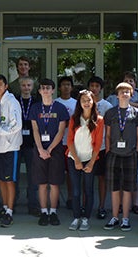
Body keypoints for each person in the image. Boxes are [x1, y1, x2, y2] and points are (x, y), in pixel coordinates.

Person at [105, 72, 138, 215]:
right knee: (116, 180)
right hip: (114, 148)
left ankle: (134, 204)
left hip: (134, 147)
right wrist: (108, 150)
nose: (129, 84)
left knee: (134, 175)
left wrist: (137, 150)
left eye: (131, 81)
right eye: (126, 81)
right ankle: (116, 209)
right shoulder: (112, 101)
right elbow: (108, 132)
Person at [103, 82, 138, 232]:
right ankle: (114, 217)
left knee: (127, 188)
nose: (124, 94)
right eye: (121, 91)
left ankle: (125, 219)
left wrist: (137, 152)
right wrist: (108, 151)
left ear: (131, 94)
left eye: (127, 91)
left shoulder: (137, 113)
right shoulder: (110, 113)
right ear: (117, 95)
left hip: (130, 154)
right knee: (114, 188)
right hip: (114, 154)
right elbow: (107, 135)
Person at [30, 79, 70, 227]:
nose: (45, 90)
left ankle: (53, 211)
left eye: (48, 88)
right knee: (41, 183)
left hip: (56, 150)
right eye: (43, 88)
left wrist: (50, 149)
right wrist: (41, 149)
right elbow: (35, 129)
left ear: (53, 90)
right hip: (40, 149)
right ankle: (43, 212)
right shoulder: (35, 108)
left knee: (54, 183)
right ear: (39, 91)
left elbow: (61, 131)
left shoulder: (60, 108)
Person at [0, 74, 23, 227]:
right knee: (1, 179)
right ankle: (4, 207)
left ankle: (10, 212)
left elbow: (16, 126)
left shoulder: (12, 102)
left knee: (9, 180)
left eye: (1, 84)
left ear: (6, 86)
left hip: (11, 147)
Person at [66, 90, 104, 231]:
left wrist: (91, 162)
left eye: (89, 100)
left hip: (90, 159)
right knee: (76, 191)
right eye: (83, 100)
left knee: (88, 190)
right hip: (74, 158)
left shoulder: (99, 120)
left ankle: (85, 218)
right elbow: (69, 141)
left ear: (93, 101)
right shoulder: (74, 119)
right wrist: (76, 160)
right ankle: (76, 217)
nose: (86, 103)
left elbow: (98, 144)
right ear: (79, 103)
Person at [87, 76, 113, 219]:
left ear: (101, 89)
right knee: (86, 178)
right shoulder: (84, 103)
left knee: (102, 178)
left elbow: (109, 129)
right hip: (86, 147)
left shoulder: (107, 106)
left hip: (102, 147)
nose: (94, 88)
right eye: (92, 85)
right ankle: (86, 205)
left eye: (97, 86)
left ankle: (102, 206)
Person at [17, 76, 40, 216]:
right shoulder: (14, 101)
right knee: (15, 174)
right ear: (20, 86)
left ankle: (32, 203)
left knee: (33, 175)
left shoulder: (37, 103)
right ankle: (12, 201)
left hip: (32, 143)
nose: (26, 88)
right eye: (24, 85)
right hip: (16, 142)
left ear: (32, 87)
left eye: (29, 85)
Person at [56, 76, 78, 210]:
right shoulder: (55, 103)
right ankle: (56, 198)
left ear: (72, 87)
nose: (66, 87)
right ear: (59, 88)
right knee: (57, 172)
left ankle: (71, 198)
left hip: (72, 143)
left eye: (68, 85)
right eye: (63, 85)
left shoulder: (76, 103)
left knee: (71, 173)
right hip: (58, 142)